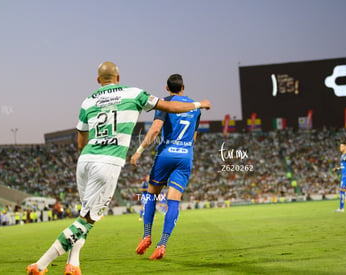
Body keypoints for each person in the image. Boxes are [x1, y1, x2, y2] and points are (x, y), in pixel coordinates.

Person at [26, 61, 210, 275]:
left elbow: (79, 142)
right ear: (118, 77)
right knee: (87, 220)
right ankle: (40, 265)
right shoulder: (133, 93)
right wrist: (198, 104)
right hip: (109, 163)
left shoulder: (88, 101)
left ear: (98, 80)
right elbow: (170, 107)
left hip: (85, 160)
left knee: (85, 213)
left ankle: (73, 264)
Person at [131, 74, 201, 260]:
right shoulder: (195, 107)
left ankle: (147, 235)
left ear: (167, 87)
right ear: (183, 88)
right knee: (173, 201)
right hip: (185, 155)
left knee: (151, 194)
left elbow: (155, 130)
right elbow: (194, 138)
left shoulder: (165, 103)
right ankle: (162, 244)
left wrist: (139, 150)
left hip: (166, 153)